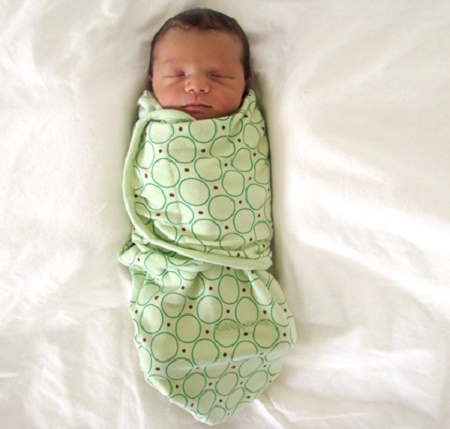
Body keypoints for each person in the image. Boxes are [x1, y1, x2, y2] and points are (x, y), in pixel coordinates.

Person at [120, 8, 296, 425]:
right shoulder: (157, 128)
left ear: (246, 82)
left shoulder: (245, 128)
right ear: (150, 81)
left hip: (241, 260)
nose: (197, 85)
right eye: (176, 74)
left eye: (218, 76)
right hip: (173, 262)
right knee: (171, 318)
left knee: (250, 311)